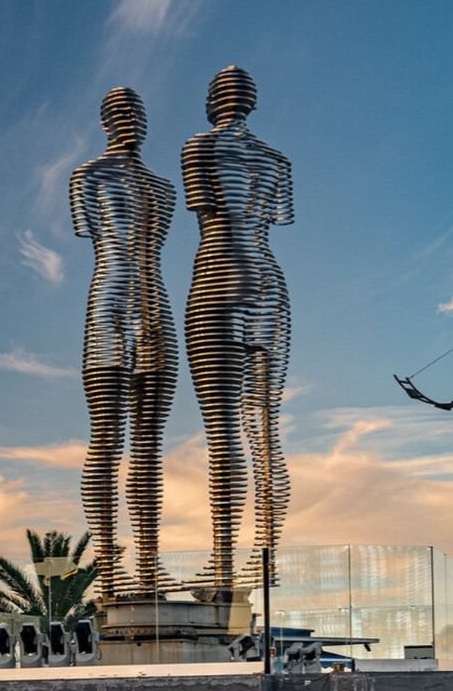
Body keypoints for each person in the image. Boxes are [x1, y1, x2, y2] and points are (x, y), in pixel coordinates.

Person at [183, 66, 293, 589]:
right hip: (269, 281)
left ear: (213, 101)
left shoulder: (199, 148)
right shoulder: (276, 160)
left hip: (218, 277)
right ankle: (266, 556)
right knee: (266, 427)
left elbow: (205, 211)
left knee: (223, 428)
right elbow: (278, 217)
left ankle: (225, 559)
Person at [70, 87, 178, 597]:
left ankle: (150, 564)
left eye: (138, 112)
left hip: (156, 306)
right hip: (109, 306)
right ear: (104, 121)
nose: (131, 119)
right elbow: (92, 234)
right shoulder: (87, 177)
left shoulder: (164, 187)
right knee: (107, 437)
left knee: (149, 445)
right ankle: (111, 568)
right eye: (119, 112)